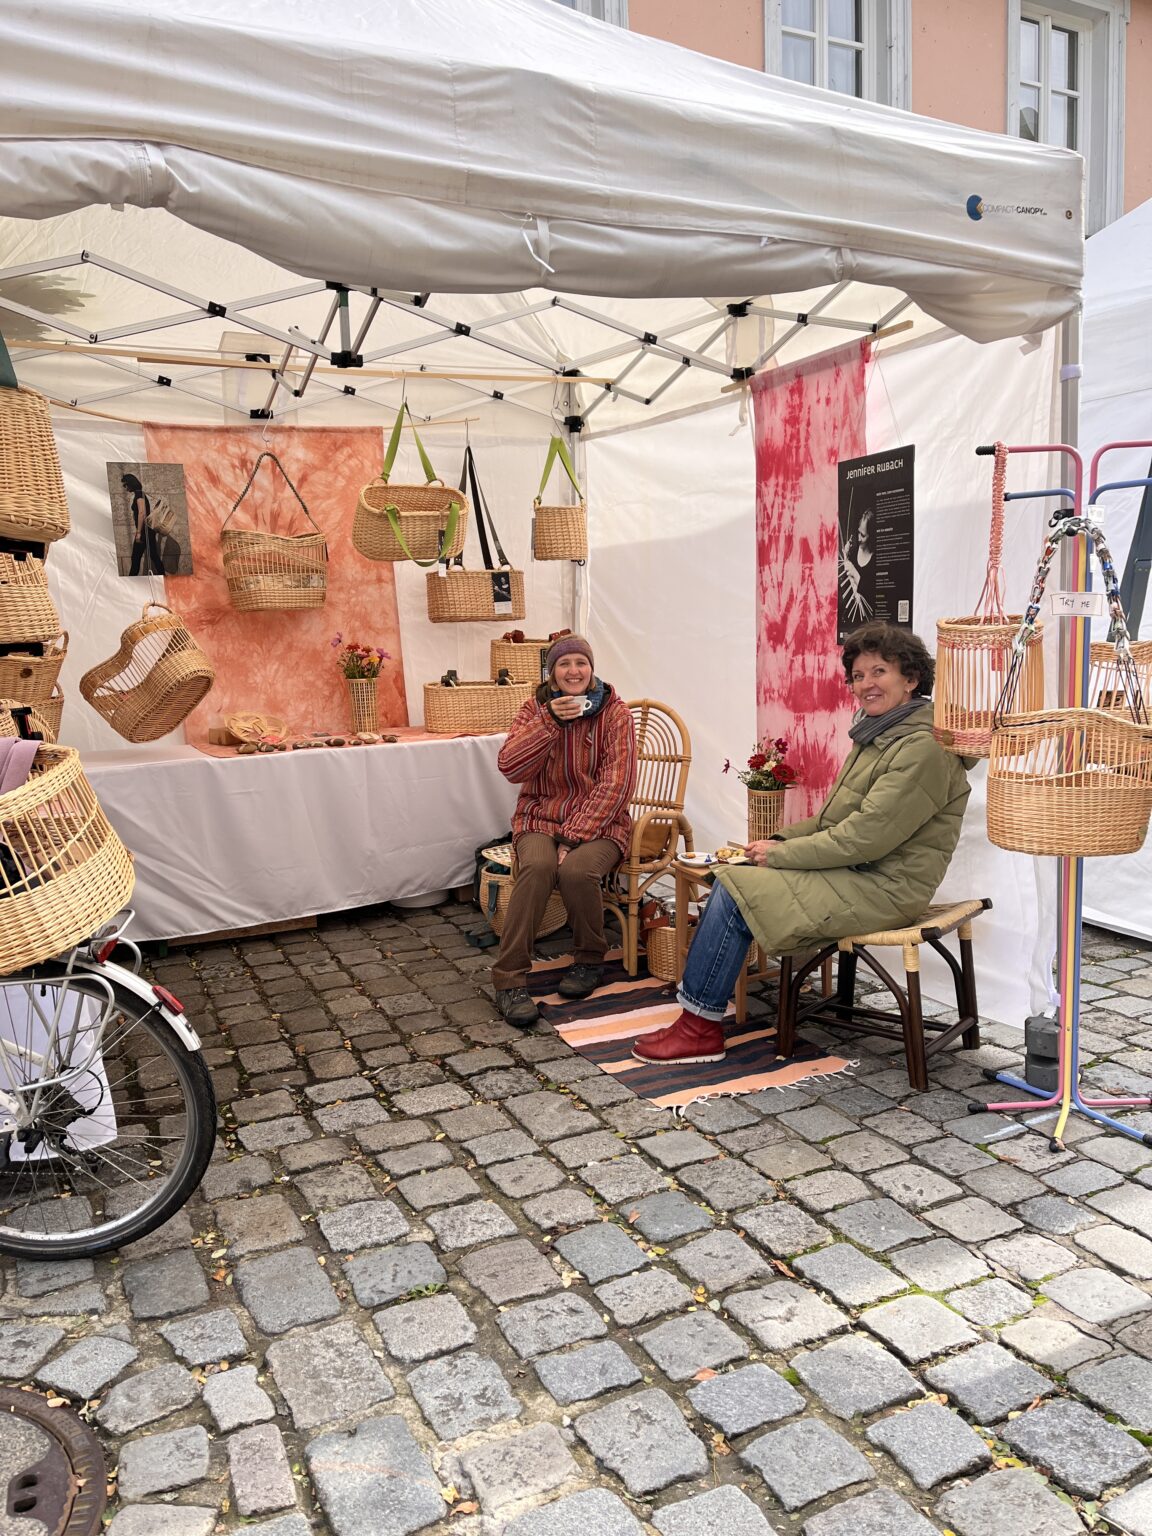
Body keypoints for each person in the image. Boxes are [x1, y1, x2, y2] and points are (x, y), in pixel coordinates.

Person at [634, 621, 973, 1064]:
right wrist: (776, 840)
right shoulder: (880, 735)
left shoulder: (921, 748)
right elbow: (832, 821)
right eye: (858, 675)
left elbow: (866, 838)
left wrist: (781, 855)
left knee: (734, 891)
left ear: (911, 679)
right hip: (859, 874)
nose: (866, 684)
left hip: (887, 887)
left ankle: (699, 1028)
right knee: (733, 874)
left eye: (879, 672)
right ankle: (698, 1017)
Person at [492, 634, 637, 1027]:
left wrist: (573, 836)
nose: (573, 671)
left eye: (580, 662)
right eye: (564, 664)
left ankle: (589, 959)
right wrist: (550, 722)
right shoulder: (534, 710)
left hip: (601, 822)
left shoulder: (615, 714)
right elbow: (510, 768)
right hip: (540, 816)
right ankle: (509, 980)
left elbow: (617, 785)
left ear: (591, 669)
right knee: (537, 868)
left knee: (576, 870)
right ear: (551, 673)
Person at [123, 473, 162, 576]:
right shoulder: (140, 494)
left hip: (144, 532)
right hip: (148, 531)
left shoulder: (139, 494)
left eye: (125, 485)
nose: (125, 487)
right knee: (154, 556)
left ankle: (131, 581)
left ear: (130, 484)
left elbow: (142, 512)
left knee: (135, 558)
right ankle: (163, 575)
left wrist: (139, 532)